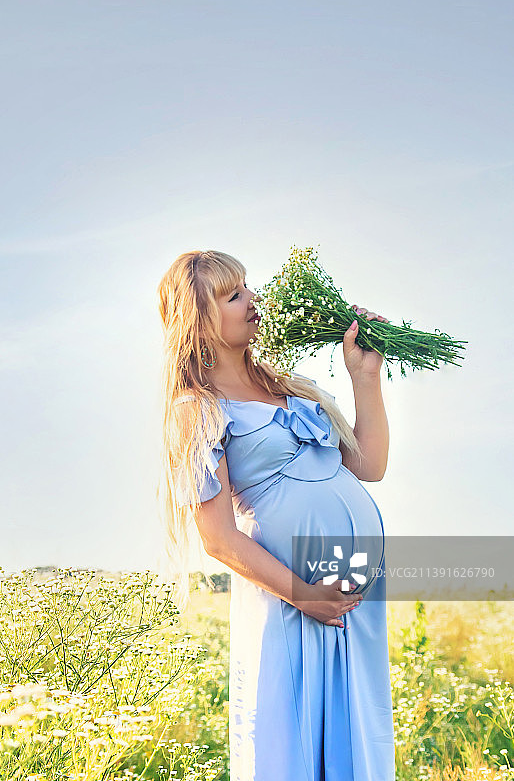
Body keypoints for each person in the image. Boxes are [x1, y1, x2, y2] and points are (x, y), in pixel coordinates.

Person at [157, 249, 395, 781]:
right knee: (292, 739)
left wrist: (365, 377)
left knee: (355, 731)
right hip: (291, 595)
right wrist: (304, 594)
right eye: (232, 294)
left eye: (248, 287)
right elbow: (216, 538)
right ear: (197, 317)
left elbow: (370, 466)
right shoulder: (197, 409)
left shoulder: (291, 387)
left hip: (353, 593)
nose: (253, 299)